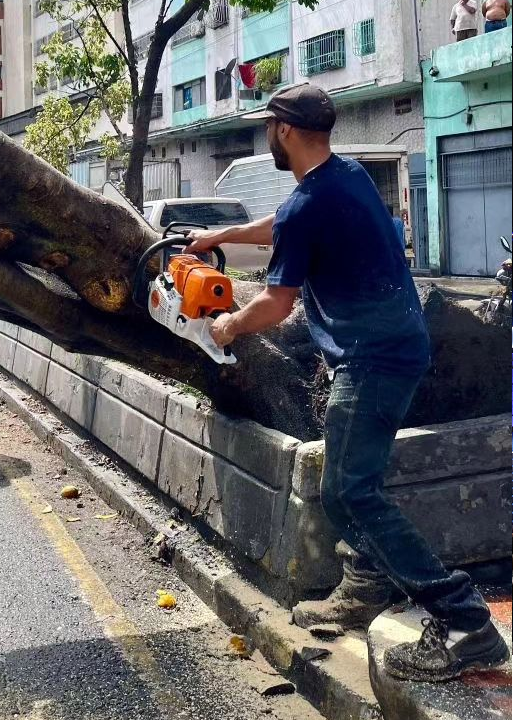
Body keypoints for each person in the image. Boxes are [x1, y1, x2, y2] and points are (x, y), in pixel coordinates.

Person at [184, 84, 510, 683]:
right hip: (397, 346)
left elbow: (277, 305)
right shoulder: (346, 177)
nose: (267, 136)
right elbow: (284, 222)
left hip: (371, 360)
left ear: (282, 130)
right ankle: (364, 589)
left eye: (267, 128)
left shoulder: (314, 201)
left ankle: (466, 622)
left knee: (348, 492)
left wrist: (227, 325)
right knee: (358, 482)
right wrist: (217, 238)